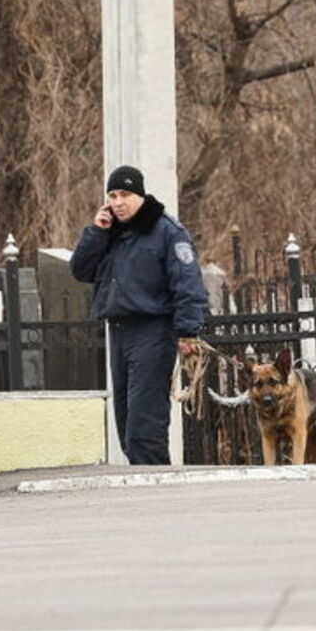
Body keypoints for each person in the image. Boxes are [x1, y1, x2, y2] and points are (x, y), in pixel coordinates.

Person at [70, 165, 207, 465]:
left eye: (125, 195)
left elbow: (188, 283)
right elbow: (80, 270)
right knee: (125, 418)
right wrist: (96, 232)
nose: (118, 202)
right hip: (118, 331)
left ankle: (154, 489)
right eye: (113, 195)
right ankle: (143, 481)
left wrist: (187, 331)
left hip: (153, 331)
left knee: (144, 424)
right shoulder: (111, 233)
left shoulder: (168, 232)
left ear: (141, 195)